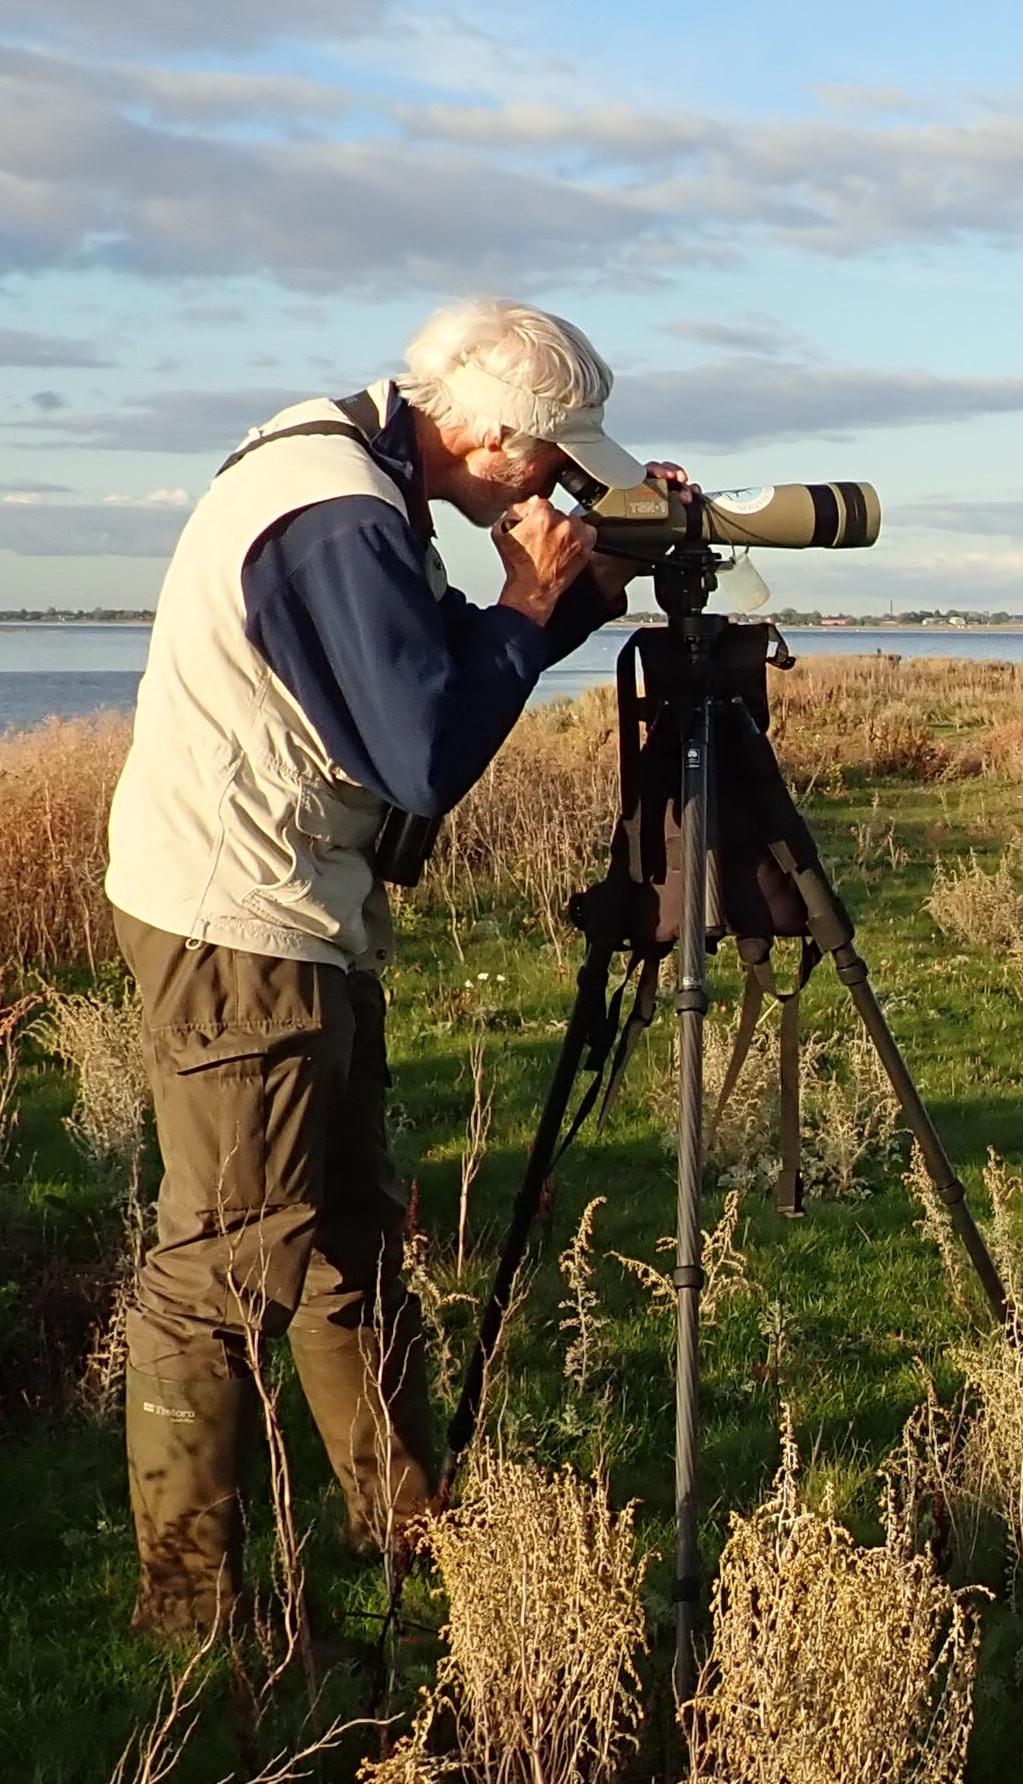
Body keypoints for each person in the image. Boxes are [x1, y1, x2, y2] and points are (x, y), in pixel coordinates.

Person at [105, 297, 691, 1638]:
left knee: (347, 1239)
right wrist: (532, 597)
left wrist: (564, 602)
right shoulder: (340, 516)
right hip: (240, 925)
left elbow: (431, 687)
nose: (553, 483)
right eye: (550, 461)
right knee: (222, 1271)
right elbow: (421, 752)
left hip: (285, 909)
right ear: (485, 433)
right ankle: (190, 1613)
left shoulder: (352, 469)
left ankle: (407, 1527)